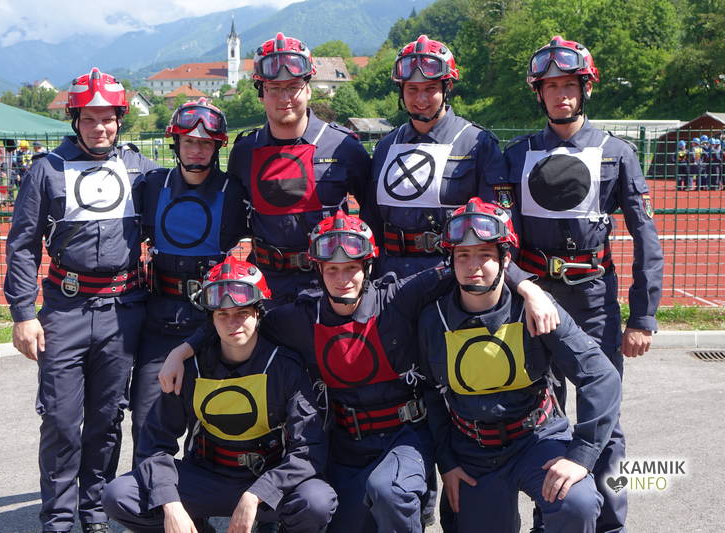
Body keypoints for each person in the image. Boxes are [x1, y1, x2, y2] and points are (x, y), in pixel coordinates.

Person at [161, 211, 559, 533]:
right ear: (318, 270)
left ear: (368, 266)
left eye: (351, 267)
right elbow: (237, 317)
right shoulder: (299, 318)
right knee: (341, 518)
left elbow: (470, 264)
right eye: (331, 270)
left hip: (404, 435)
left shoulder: (398, 298)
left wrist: (529, 288)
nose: (342, 278)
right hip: (346, 443)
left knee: (389, 493)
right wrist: (185, 348)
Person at [504, 36, 664, 533]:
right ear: (539, 93)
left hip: (594, 298)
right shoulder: (516, 154)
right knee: (541, 417)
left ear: (585, 88)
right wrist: (521, 287)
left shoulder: (617, 152)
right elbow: (499, 237)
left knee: (604, 418)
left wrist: (643, 316)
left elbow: (646, 236)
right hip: (536, 300)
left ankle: (611, 524)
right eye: (550, 86)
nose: (561, 95)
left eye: (569, 85)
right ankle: (551, 520)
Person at [4, 67, 157, 533]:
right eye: (89, 119)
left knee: (107, 419)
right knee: (61, 420)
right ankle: (58, 520)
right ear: (75, 120)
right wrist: (22, 313)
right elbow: (22, 244)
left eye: (107, 118)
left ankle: (95, 513)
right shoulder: (46, 169)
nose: (99, 128)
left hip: (123, 310)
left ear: (119, 119)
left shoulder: (140, 168)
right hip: (65, 310)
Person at [418, 197, 621, 533]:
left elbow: (600, 376)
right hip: (473, 451)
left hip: (536, 439)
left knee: (577, 503)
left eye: (485, 254)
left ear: (505, 259)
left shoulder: (536, 309)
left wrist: (581, 455)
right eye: (463, 255)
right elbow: (430, 394)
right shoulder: (432, 319)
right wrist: (448, 463)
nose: (473, 265)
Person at [102, 256, 337, 533]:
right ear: (211, 319)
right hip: (205, 476)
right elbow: (155, 444)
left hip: (264, 478)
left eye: (242, 313)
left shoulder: (285, 366)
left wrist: (258, 493)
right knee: (119, 495)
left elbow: (308, 449)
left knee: (317, 501)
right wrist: (170, 503)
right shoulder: (190, 368)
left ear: (258, 313)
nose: (232, 323)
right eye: (222, 314)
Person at [130, 98, 249, 461]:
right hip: (159, 321)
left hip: (213, 322)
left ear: (218, 146)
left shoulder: (234, 192)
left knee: (210, 423)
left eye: (205, 143)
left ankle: (196, 492)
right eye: (189, 142)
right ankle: (148, 494)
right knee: (147, 421)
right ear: (176, 143)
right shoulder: (152, 186)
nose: (197, 150)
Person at [226, 32, 371, 305]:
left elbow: (373, 213)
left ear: (308, 89)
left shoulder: (343, 147)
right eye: (274, 88)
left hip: (329, 285)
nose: (285, 98)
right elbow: (233, 220)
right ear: (261, 94)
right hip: (265, 287)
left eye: (293, 86)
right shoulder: (245, 151)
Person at [362, 35, 509, 278]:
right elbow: (371, 219)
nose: (420, 99)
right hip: (390, 276)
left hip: (451, 276)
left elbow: (500, 221)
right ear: (401, 91)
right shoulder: (386, 146)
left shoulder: (477, 144)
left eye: (430, 89)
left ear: (447, 88)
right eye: (412, 89)